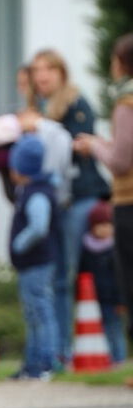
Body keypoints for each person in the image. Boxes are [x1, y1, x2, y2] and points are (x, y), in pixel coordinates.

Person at [30, 48, 110, 363]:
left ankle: (70, 347)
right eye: (37, 70)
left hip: (78, 197)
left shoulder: (76, 104)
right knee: (56, 275)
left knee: (69, 274)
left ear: (61, 73)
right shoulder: (37, 107)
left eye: (48, 69)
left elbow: (77, 145)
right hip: (54, 200)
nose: (42, 75)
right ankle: (57, 347)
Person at [74, 32, 133, 345]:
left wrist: (95, 146)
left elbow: (121, 162)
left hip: (128, 201)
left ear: (121, 63)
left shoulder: (126, 103)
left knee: (129, 280)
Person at [7, 134, 59, 381]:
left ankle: (46, 362)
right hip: (30, 264)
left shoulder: (37, 193)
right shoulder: (28, 190)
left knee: (40, 310)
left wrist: (20, 244)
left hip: (36, 262)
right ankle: (32, 363)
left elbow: (39, 226)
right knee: (32, 313)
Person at [79, 200, 127, 365]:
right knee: (100, 330)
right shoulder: (86, 249)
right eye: (101, 225)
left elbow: (121, 278)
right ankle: (106, 358)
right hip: (94, 299)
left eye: (108, 225)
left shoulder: (115, 249)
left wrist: (121, 301)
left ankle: (119, 358)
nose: (105, 229)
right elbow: (82, 274)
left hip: (113, 299)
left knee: (114, 329)